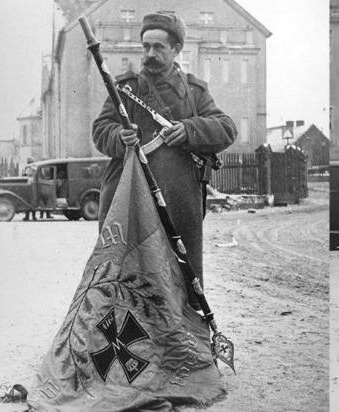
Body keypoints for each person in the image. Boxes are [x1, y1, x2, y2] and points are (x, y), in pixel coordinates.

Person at [92, 11, 236, 309]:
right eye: (146, 46)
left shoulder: (195, 92)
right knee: (126, 282)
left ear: (176, 50)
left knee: (181, 284)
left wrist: (190, 129)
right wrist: (120, 137)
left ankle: (182, 348)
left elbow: (227, 128)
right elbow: (99, 130)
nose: (150, 54)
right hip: (130, 199)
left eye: (159, 47)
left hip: (178, 203)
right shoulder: (125, 88)